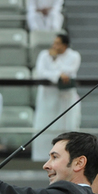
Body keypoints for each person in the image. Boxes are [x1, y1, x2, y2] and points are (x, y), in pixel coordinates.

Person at [31, 34, 81, 162]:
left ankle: (66, 160)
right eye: (54, 43)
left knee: (66, 129)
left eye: (57, 43)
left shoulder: (74, 56)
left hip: (65, 98)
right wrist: (58, 73)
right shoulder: (44, 55)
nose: (54, 46)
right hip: (46, 98)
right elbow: (41, 73)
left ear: (65, 45)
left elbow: (69, 72)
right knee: (44, 127)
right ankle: (41, 159)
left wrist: (54, 64)